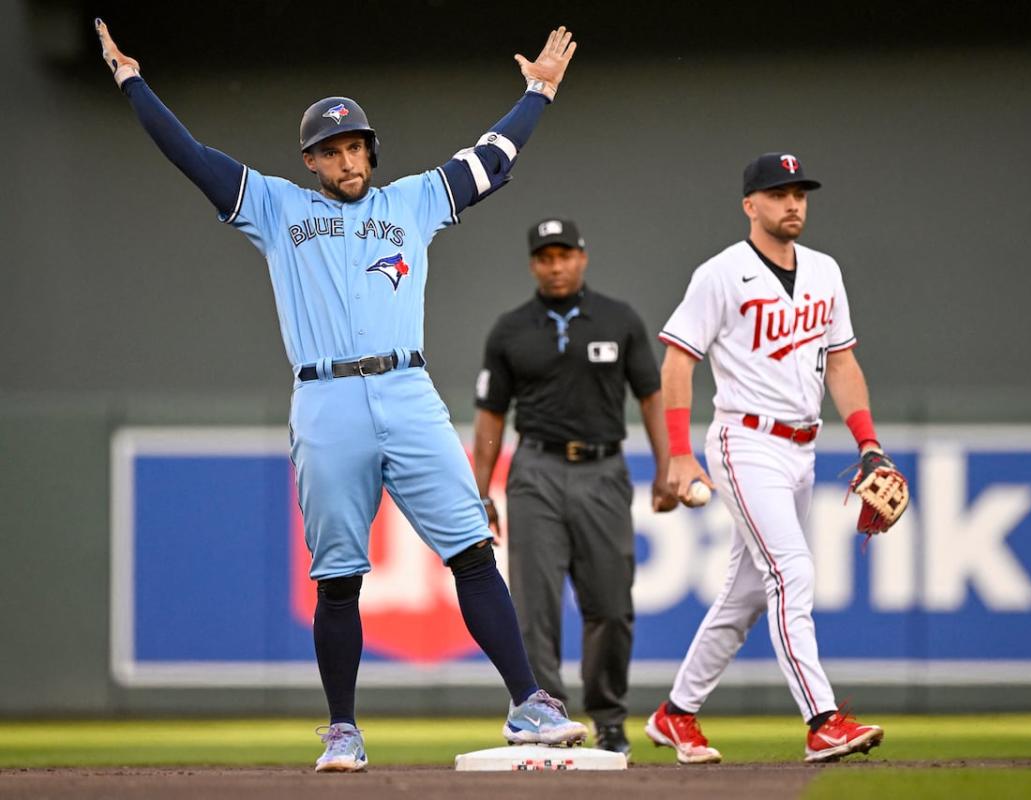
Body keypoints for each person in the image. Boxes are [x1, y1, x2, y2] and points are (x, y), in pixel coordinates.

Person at [94, 19, 589, 772]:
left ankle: (527, 703)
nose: (347, 158)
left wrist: (539, 93)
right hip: (326, 401)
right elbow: (192, 158)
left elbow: (492, 157)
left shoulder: (416, 200)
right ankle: (343, 729)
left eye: (356, 145)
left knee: (471, 550)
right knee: (338, 577)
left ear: (370, 150)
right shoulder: (277, 207)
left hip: (407, 389)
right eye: (331, 149)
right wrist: (134, 83)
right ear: (311, 161)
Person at [646, 153, 902, 764]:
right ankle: (823, 720)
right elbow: (678, 360)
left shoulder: (826, 271)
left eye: (800, 193)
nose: (793, 203)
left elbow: (841, 362)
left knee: (747, 595)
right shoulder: (721, 274)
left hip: (804, 449)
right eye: (779, 192)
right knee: (792, 573)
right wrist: (679, 453)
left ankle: (676, 714)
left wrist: (868, 441)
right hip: (745, 441)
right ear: (749, 205)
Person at [471, 219, 678, 757]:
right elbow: (490, 416)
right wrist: (481, 491)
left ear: (582, 257)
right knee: (535, 608)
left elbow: (651, 396)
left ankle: (609, 718)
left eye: (564, 254)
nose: (556, 265)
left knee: (610, 604)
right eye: (545, 256)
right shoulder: (510, 330)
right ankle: (545, 715)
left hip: (603, 470)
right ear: (533, 264)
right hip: (535, 470)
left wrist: (667, 465)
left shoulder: (618, 319)